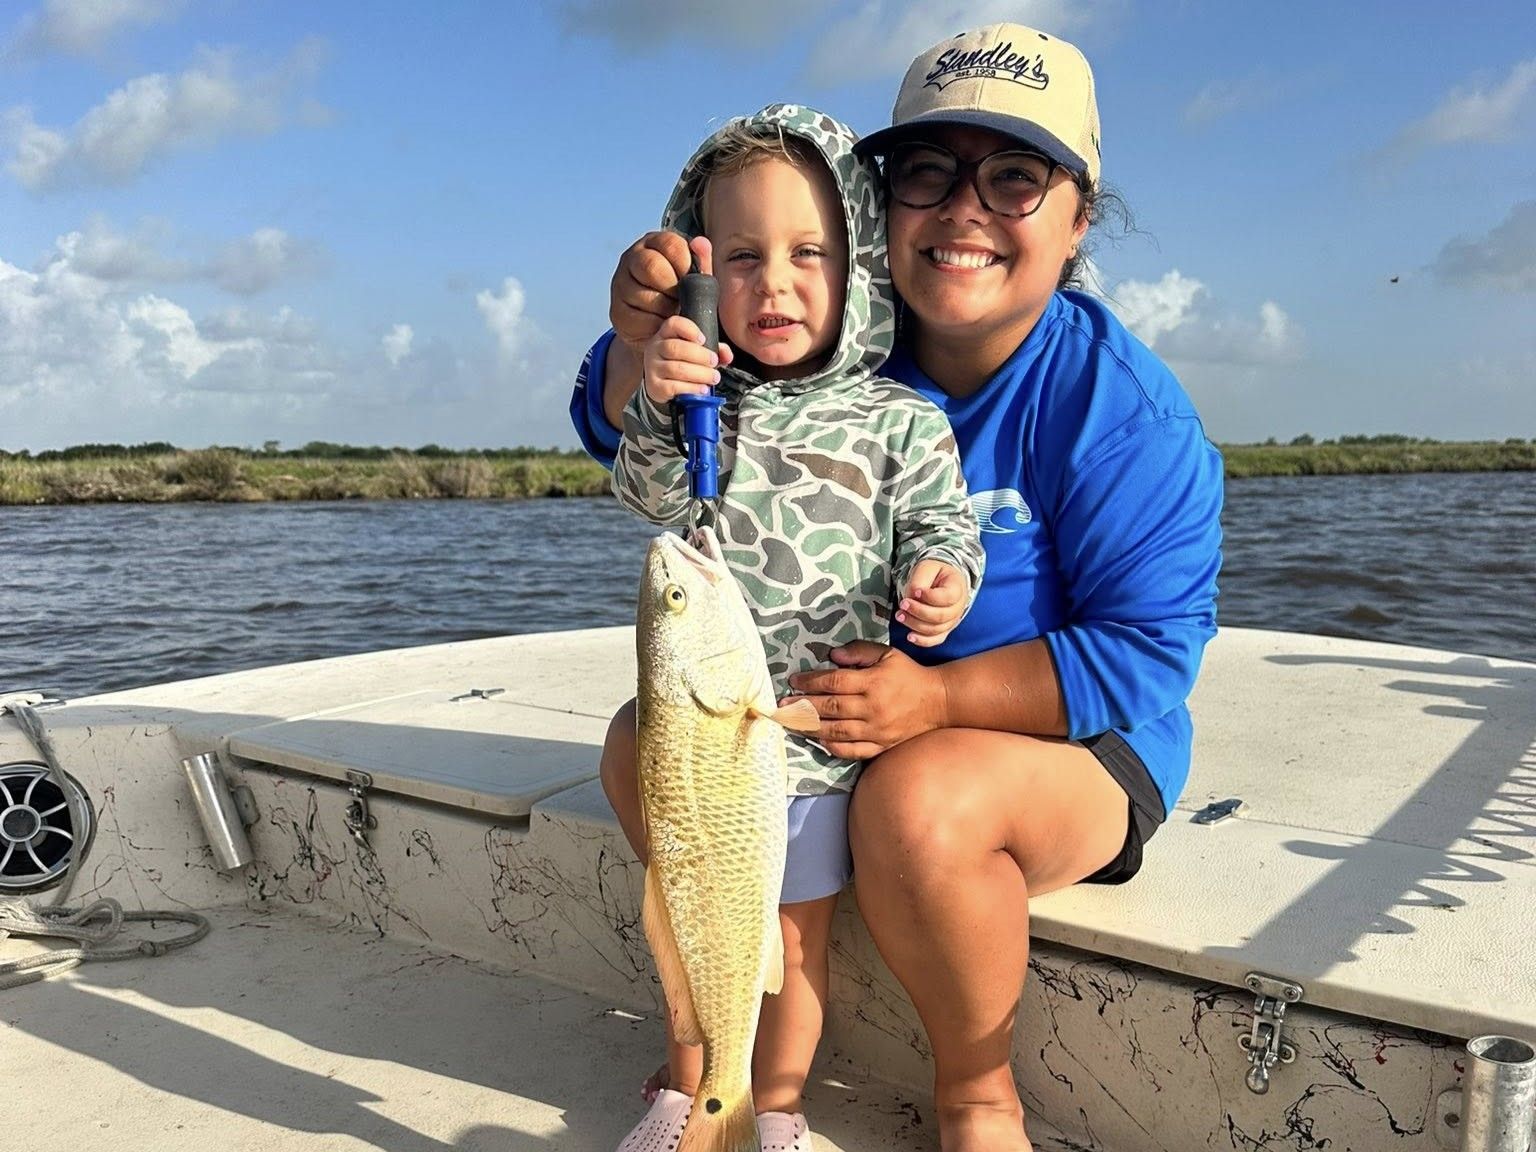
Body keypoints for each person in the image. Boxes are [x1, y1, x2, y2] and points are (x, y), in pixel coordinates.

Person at [573, 24, 1225, 1152]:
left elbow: (1148, 656)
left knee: (919, 801)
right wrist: (642, 342)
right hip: (839, 717)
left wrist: (939, 700)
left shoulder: (1126, 414)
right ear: (881, 215)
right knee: (646, 735)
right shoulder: (827, 338)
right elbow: (637, 439)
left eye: (1015, 176)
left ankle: (980, 1097)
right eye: (928, 171)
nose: (965, 209)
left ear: (1078, 219)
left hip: (1073, 745)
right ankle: (709, 1066)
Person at [590, 102, 986, 1152]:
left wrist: (945, 573)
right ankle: (689, 1096)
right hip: (703, 742)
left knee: (792, 950)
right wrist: (658, 401)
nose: (775, 285)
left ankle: (773, 1111)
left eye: (810, 252)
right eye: (745, 258)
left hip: (813, 745)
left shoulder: (905, 419)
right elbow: (650, 504)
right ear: (702, 279)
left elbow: (944, 522)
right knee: (689, 922)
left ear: (858, 265)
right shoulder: (702, 404)